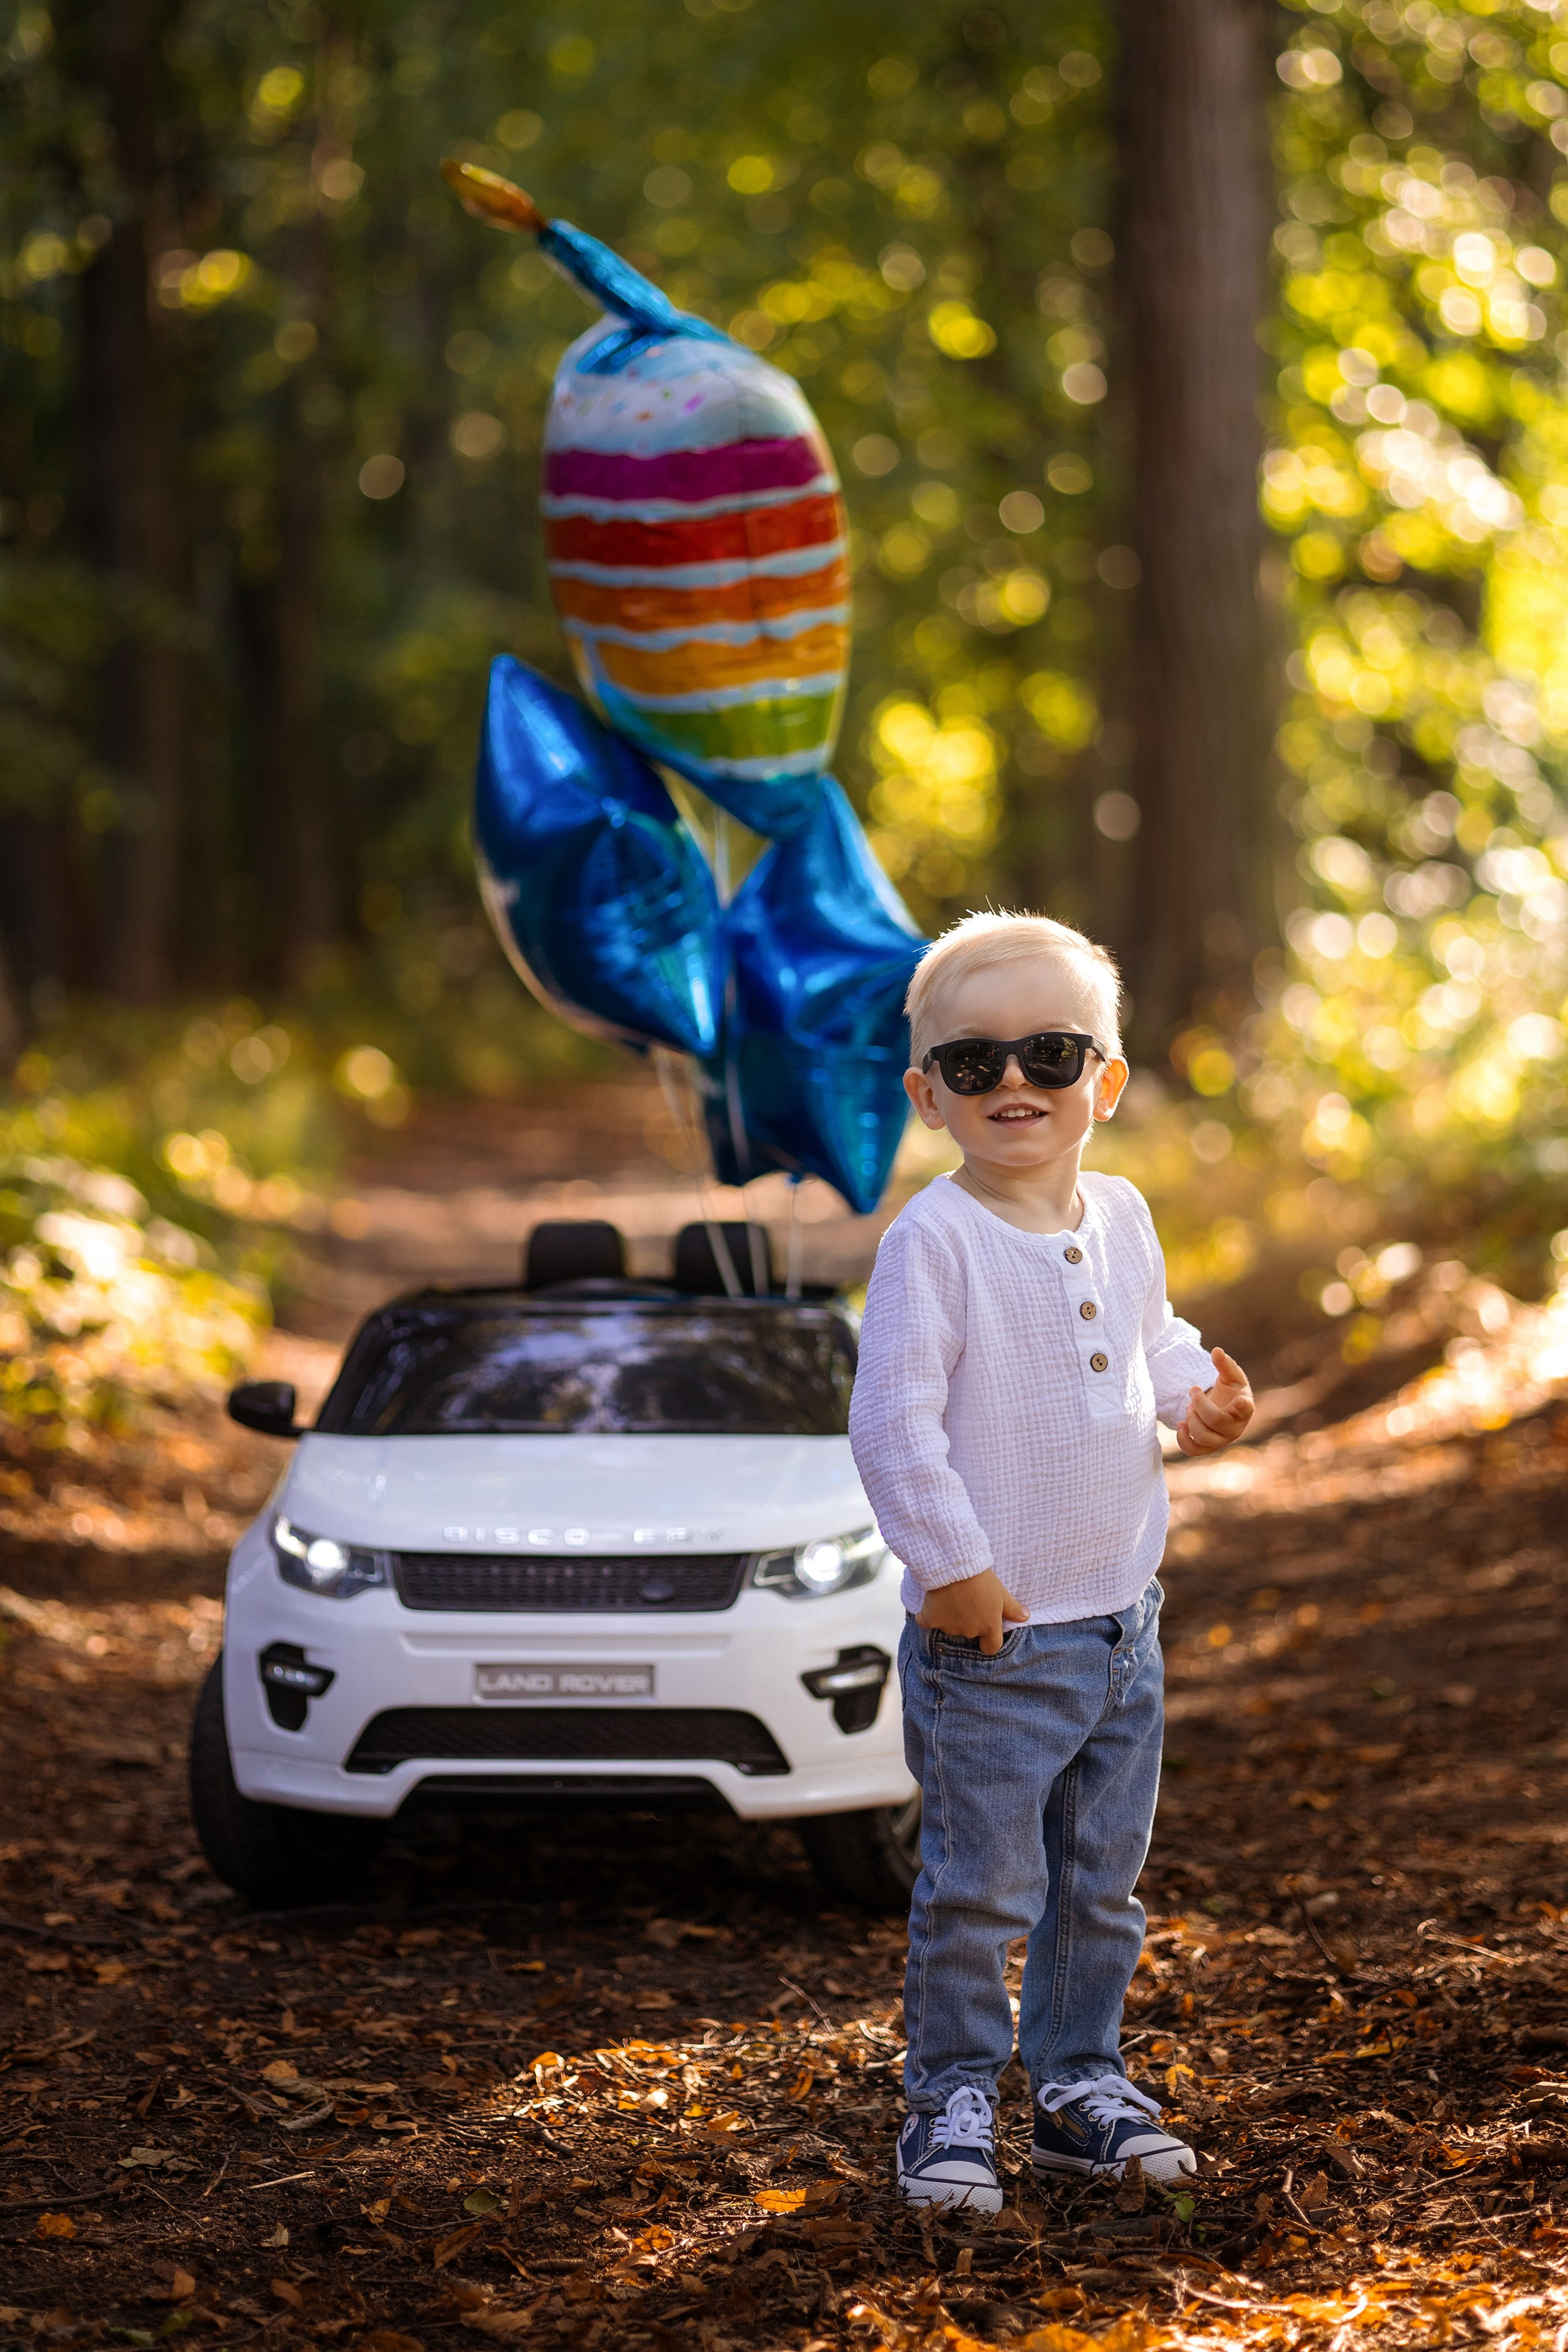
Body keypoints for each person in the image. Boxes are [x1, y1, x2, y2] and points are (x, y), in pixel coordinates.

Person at [848, 911, 1254, 2214]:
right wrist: (950, 1563)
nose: (1012, 1083)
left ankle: (1076, 2080)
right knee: (979, 1887)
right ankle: (952, 2095)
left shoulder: (1122, 1213)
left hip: (1119, 1621)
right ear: (927, 1095)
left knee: (1099, 1884)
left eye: (1048, 1053)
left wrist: (1193, 1399)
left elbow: (1147, 1345)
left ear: (1104, 1081)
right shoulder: (933, 1242)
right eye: (973, 1066)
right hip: (996, 1638)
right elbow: (892, 1422)